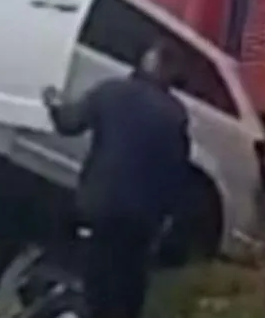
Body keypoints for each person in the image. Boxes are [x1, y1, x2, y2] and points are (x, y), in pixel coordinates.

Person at [42, 40, 191, 318]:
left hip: (101, 204)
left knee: (98, 278)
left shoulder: (111, 92)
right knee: (130, 280)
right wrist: (167, 217)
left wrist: (53, 102)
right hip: (143, 217)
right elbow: (176, 171)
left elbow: (68, 123)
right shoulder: (175, 114)